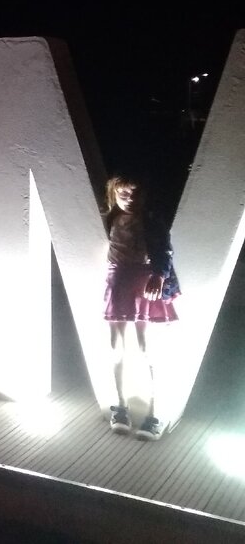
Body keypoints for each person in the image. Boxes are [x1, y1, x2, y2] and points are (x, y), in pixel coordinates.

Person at [102, 173, 180, 441]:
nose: (130, 199)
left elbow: (164, 249)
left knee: (148, 349)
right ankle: (120, 406)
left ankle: (154, 413)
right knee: (116, 348)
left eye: (136, 194)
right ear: (114, 194)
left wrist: (159, 274)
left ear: (145, 196)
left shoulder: (151, 219)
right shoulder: (109, 218)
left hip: (145, 281)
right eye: (124, 194)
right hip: (117, 280)